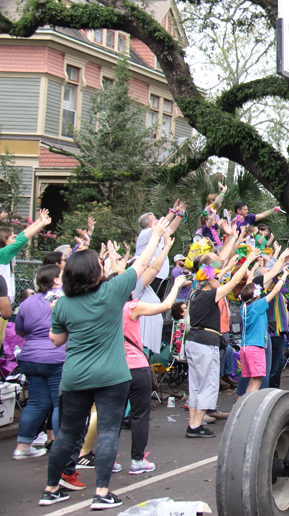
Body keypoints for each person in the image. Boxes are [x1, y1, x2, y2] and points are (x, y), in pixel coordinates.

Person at [40, 217, 166, 509]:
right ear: (97, 272)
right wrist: (156, 236)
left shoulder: (62, 304)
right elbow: (140, 265)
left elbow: (56, 340)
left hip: (74, 376)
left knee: (68, 433)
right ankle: (101, 493)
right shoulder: (112, 293)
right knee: (108, 431)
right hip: (111, 374)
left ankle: (50, 489)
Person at [183, 249, 258, 438]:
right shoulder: (211, 295)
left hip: (192, 341)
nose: (219, 280)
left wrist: (230, 265)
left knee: (195, 384)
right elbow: (232, 282)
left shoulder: (195, 294)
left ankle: (193, 423)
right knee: (208, 382)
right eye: (216, 278)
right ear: (210, 281)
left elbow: (220, 277)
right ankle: (196, 423)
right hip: (205, 342)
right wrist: (247, 261)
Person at [122, 268, 187, 476]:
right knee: (140, 415)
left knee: (111, 417)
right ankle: (137, 460)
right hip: (135, 365)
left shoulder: (102, 307)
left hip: (114, 367)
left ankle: (109, 460)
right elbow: (166, 306)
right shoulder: (131, 307)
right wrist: (176, 285)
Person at [12, 266, 65, 461]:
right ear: (56, 280)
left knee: (36, 403)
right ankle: (63, 449)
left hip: (30, 357)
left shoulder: (27, 302)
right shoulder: (65, 299)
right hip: (56, 357)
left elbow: (20, 330)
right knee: (61, 403)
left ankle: (22, 447)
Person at [238, 270, 289, 393]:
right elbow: (276, 291)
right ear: (256, 296)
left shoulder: (243, 307)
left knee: (251, 381)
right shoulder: (258, 306)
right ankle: (250, 406)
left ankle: (244, 406)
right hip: (256, 348)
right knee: (257, 381)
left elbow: (247, 286)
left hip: (245, 347)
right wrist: (284, 276)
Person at [134, 201, 186, 300]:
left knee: (157, 301)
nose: (159, 221)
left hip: (160, 274)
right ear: (150, 224)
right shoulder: (146, 233)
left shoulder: (157, 233)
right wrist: (173, 211)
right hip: (148, 273)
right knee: (147, 301)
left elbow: (170, 229)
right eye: (156, 220)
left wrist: (179, 215)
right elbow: (164, 224)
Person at [0, 209, 53, 301]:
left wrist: (39, 221)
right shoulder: (3, 253)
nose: (15, 240)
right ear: (4, 240)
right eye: (13, 238)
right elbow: (22, 240)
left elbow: (21, 236)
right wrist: (41, 224)